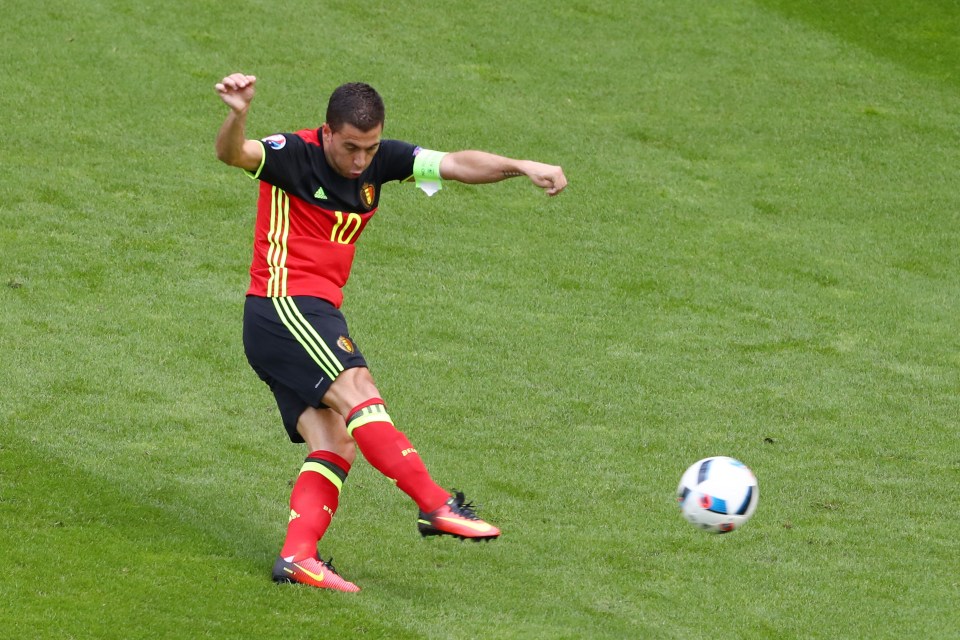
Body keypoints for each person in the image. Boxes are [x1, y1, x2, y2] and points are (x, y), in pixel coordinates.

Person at [214, 72, 567, 593]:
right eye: (351, 148)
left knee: (334, 440)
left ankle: (297, 558)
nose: (360, 161)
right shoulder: (292, 152)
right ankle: (436, 505)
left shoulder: (381, 159)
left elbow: (455, 164)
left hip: (305, 314)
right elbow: (233, 154)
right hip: (284, 306)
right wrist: (238, 113)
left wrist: (523, 166)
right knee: (360, 393)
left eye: (370, 148)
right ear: (328, 133)